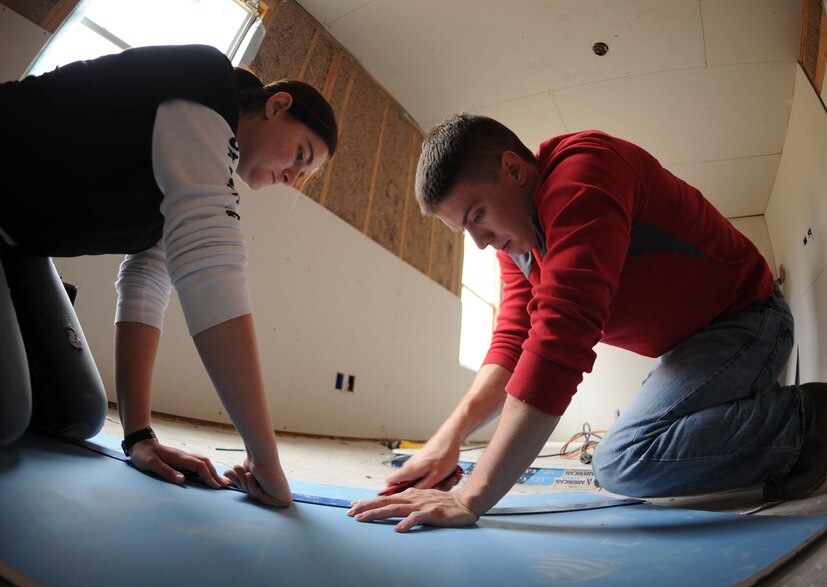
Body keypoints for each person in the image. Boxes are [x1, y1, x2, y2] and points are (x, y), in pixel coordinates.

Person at [347, 114, 827, 532]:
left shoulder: (584, 175)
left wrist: (471, 497)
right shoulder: (518, 247)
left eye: (478, 215)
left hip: (748, 319)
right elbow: (513, 343)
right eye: (464, 229)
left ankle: (811, 421)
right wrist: (447, 440)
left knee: (623, 460)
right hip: (688, 348)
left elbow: (558, 343)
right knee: (636, 450)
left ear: (513, 169)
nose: (480, 241)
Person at [0, 44, 338, 507]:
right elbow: (209, 263)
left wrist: (138, 435)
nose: (291, 177)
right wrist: (264, 457)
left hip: (20, 249)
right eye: (300, 154)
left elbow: (146, 282)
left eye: (304, 174)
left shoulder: (189, 170)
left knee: (77, 412)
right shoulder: (205, 79)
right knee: (7, 413)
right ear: (277, 106)